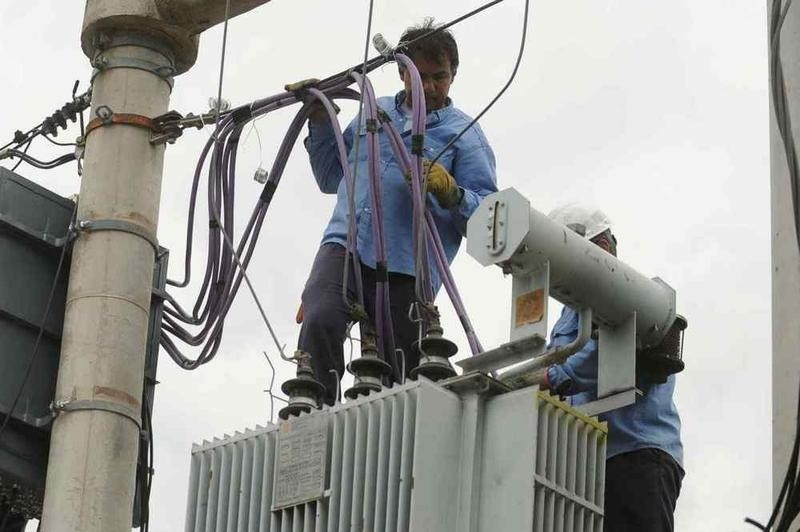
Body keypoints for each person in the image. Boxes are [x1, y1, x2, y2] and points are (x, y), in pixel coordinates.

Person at [298, 19, 498, 404]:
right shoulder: (375, 112)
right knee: (321, 317)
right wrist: (320, 119)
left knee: (399, 367)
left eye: (440, 77)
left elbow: (487, 222)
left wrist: (451, 191)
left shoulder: (464, 135)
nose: (431, 87)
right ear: (402, 72)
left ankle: (393, 448)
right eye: (421, 77)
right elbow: (330, 176)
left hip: (409, 267)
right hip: (345, 243)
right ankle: (313, 416)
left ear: (454, 74)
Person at [543, 203, 684, 532]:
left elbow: (598, 355)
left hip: (637, 453)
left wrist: (550, 377)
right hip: (585, 463)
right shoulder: (569, 317)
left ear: (602, 248)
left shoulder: (639, 298)